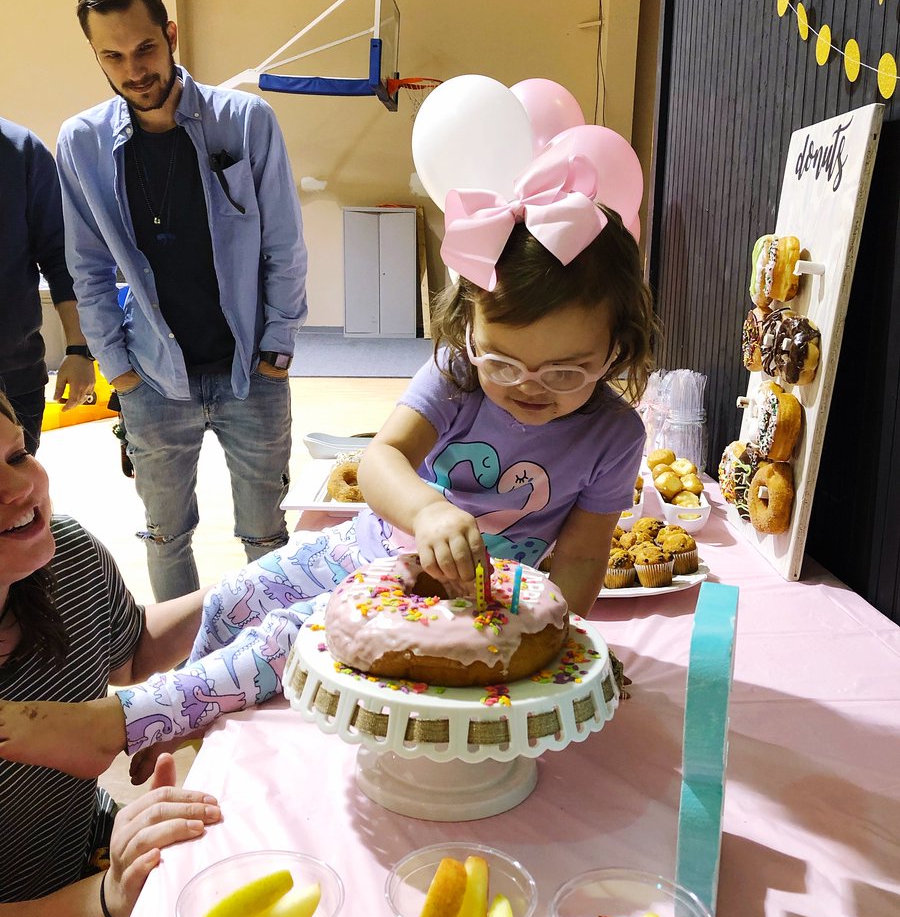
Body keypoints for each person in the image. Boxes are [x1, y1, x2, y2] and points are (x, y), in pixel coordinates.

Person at [1, 157, 653, 777]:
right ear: (468, 330)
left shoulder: (613, 434)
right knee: (235, 596)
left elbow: (584, 554)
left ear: (618, 344)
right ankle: (185, 713)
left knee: (286, 640)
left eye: (567, 371)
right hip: (368, 542)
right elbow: (380, 459)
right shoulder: (456, 378)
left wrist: (551, 634)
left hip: (466, 603)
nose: (529, 387)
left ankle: (123, 722)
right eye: (503, 362)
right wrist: (427, 508)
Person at [57, 0, 307, 602]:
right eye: (111, 56)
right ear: (96, 57)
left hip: (251, 370)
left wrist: (277, 346)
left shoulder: (246, 121)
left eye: (144, 48)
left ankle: (265, 658)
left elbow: (284, 244)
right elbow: (85, 266)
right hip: (151, 378)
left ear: (170, 35)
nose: (133, 69)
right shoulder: (81, 143)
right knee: (165, 535)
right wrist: (115, 366)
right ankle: (186, 669)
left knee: (265, 537)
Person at [0, 390, 222, 917]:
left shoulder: (63, 557)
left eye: (16, 455)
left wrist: (255, 592)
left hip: (88, 852)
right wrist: (112, 900)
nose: (19, 490)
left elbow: (127, 652)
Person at [0, 115, 95, 454]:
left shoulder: (20, 149)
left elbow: (60, 256)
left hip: (15, 376)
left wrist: (78, 349)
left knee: (18, 502)